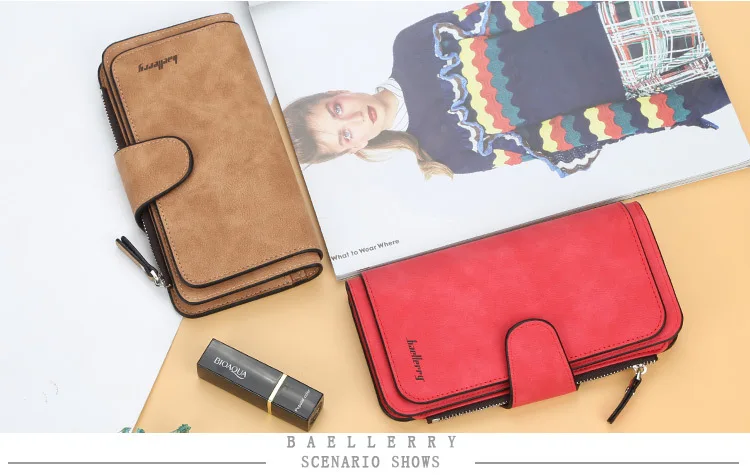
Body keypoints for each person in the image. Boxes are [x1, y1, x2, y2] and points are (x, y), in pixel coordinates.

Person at [284, 1, 729, 179]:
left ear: (336, 91)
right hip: (644, 82)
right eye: (344, 134)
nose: (353, 119)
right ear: (354, 148)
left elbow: (514, 10)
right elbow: (564, 136)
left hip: (619, 15)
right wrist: (673, 107)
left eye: (336, 109)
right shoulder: (448, 154)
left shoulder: (412, 45)